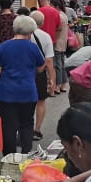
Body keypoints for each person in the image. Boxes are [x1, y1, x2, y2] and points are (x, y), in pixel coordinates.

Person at [0, 15, 46, 156]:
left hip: (6, 93)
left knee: (8, 126)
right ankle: (26, 155)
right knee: (26, 124)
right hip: (28, 92)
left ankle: (10, 157)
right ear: (30, 31)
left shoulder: (3, 47)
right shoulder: (33, 48)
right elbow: (41, 67)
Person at [30, 10, 56, 140]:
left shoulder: (23, 35)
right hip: (40, 73)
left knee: (25, 102)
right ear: (42, 22)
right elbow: (49, 60)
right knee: (40, 101)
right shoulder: (46, 36)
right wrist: (52, 79)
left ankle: (24, 128)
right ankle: (37, 129)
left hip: (25, 71)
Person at [51, 0, 70, 94]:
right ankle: (63, 84)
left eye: (52, 6)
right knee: (61, 65)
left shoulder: (59, 16)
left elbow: (58, 28)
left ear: (56, 6)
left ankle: (57, 86)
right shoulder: (64, 15)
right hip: (63, 42)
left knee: (57, 65)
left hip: (58, 42)